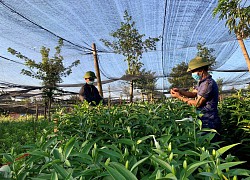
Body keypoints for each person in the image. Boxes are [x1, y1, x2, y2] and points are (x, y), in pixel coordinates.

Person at [170, 56, 221, 139]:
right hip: (203, 119)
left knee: (211, 146)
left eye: (193, 71)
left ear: (201, 70)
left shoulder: (208, 84)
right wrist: (180, 91)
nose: (192, 74)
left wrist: (179, 97)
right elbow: (193, 93)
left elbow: (197, 103)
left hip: (209, 121)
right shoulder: (201, 82)